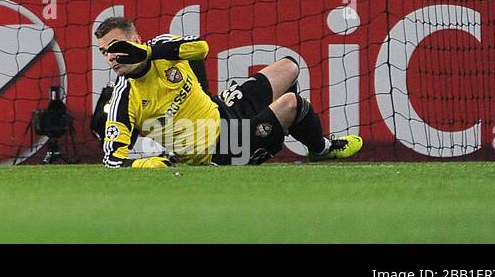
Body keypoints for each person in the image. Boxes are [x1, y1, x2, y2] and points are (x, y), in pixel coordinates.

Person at [92, 16, 362, 167]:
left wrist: (149, 53)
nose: (112, 57)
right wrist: (146, 164)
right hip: (221, 150)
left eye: (117, 47)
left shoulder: (161, 47)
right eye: (105, 52)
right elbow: (112, 159)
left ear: (136, 41)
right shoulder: (123, 98)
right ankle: (320, 147)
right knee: (292, 103)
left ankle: (278, 130)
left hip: (223, 111)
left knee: (288, 68)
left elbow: (201, 49)